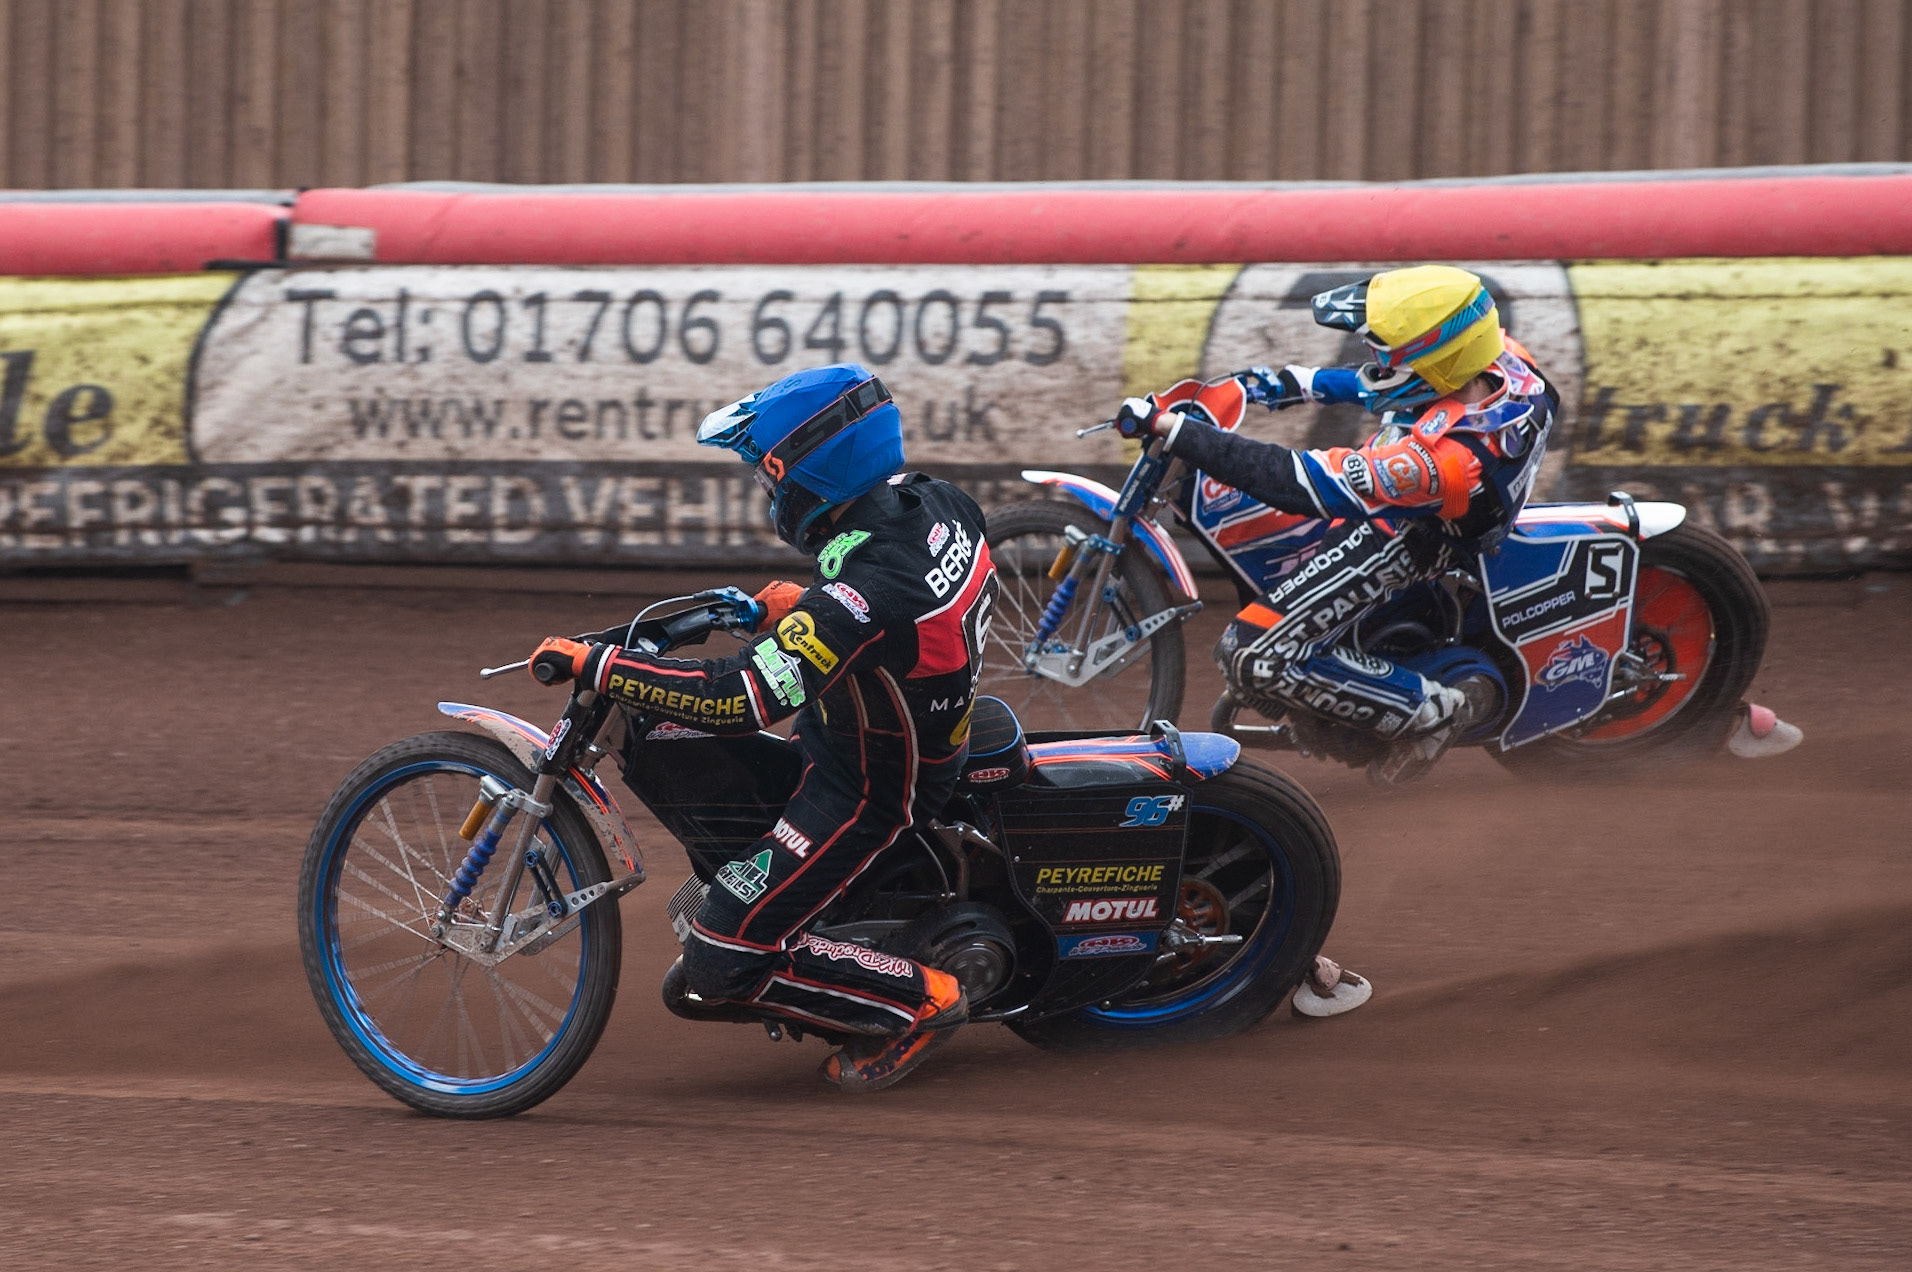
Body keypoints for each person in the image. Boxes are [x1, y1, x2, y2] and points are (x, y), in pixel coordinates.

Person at [526, 362, 998, 1091]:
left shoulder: (861, 595)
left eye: (769, 475)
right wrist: (798, 608)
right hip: (867, 735)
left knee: (713, 965)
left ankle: (919, 1001)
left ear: (809, 473)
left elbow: (740, 698)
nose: (769, 492)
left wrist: (599, 667)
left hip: (866, 792)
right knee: (665, 738)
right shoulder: (935, 503)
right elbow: (885, 609)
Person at [1114, 264, 1558, 788]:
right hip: (1439, 493)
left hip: (1410, 536)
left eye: (1387, 353)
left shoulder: (1442, 463)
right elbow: (1389, 385)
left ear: (1435, 364)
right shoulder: (1498, 356)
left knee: (1251, 654)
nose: (1375, 361)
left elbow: (1297, 481)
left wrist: (1180, 431)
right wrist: (1285, 384)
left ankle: (1432, 711)